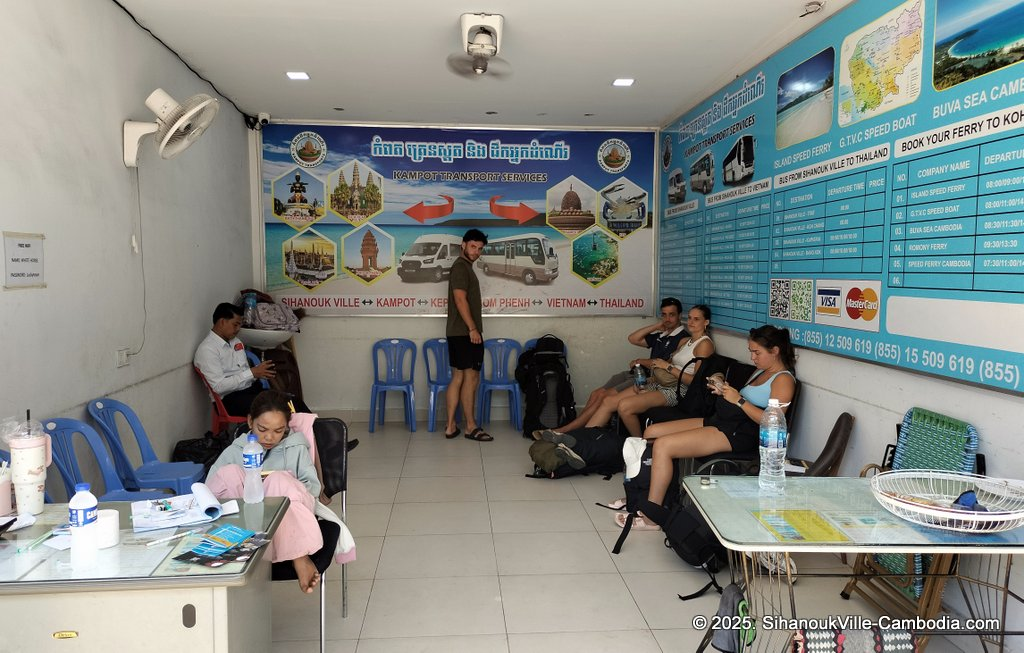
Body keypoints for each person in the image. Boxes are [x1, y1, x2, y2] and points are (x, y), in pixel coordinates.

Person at [614, 324, 797, 530]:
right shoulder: (761, 371)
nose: (753, 357)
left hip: (738, 433)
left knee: (663, 446)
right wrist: (722, 387)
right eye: (751, 352)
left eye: (757, 352)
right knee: (651, 432)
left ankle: (652, 516)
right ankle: (647, 494)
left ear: (775, 351)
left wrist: (738, 400)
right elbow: (741, 397)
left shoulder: (783, 379)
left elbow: (773, 422)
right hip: (722, 420)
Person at [206, 390, 324, 593]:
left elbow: (312, 487)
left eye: (279, 431)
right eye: (263, 429)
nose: (270, 437)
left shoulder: (294, 447)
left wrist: (276, 481)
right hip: (247, 522)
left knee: (279, 479)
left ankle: (299, 557)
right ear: (250, 421)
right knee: (230, 473)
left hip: (289, 517)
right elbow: (211, 489)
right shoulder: (236, 450)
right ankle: (237, 546)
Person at [536, 297, 688, 436]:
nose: (667, 319)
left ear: (680, 316)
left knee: (604, 397)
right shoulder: (662, 335)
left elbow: (665, 364)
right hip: (635, 372)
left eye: (672, 315)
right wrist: (658, 325)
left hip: (646, 378)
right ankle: (578, 429)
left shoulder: (682, 338)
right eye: (664, 315)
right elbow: (633, 338)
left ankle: (568, 432)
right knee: (596, 393)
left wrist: (641, 360)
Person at [581, 305, 714, 438]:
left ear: (706, 322)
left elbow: (695, 382)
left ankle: (640, 446)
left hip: (678, 390)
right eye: (690, 318)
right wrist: (647, 380)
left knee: (625, 406)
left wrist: (667, 367)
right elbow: (664, 366)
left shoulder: (704, 344)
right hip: (662, 382)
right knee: (608, 402)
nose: (691, 322)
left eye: (696, 319)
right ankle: (584, 441)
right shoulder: (686, 341)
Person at [444, 228, 492, 442]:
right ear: (463, 245)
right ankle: (470, 427)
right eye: (473, 246)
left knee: (459, 377)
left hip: (457, 332)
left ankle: (451, 426)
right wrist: (473, 329)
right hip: (465, 333)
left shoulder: (462, 267)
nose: (476, 252)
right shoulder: (461, 268)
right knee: (471, 377)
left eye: (480, 248)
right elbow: (460, 300)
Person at [194, 302, 276, 417]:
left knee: (292, 402)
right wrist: (252, 373)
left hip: (250, 390)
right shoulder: (208, 350)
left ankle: (307, 431)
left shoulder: (236, 342)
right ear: (222, 322)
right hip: (230, 400)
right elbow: (218, 387)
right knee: (278, 409)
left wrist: (258, 373)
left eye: (240, 325)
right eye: (235, 325)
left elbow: (244, 371)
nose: (238, 329)